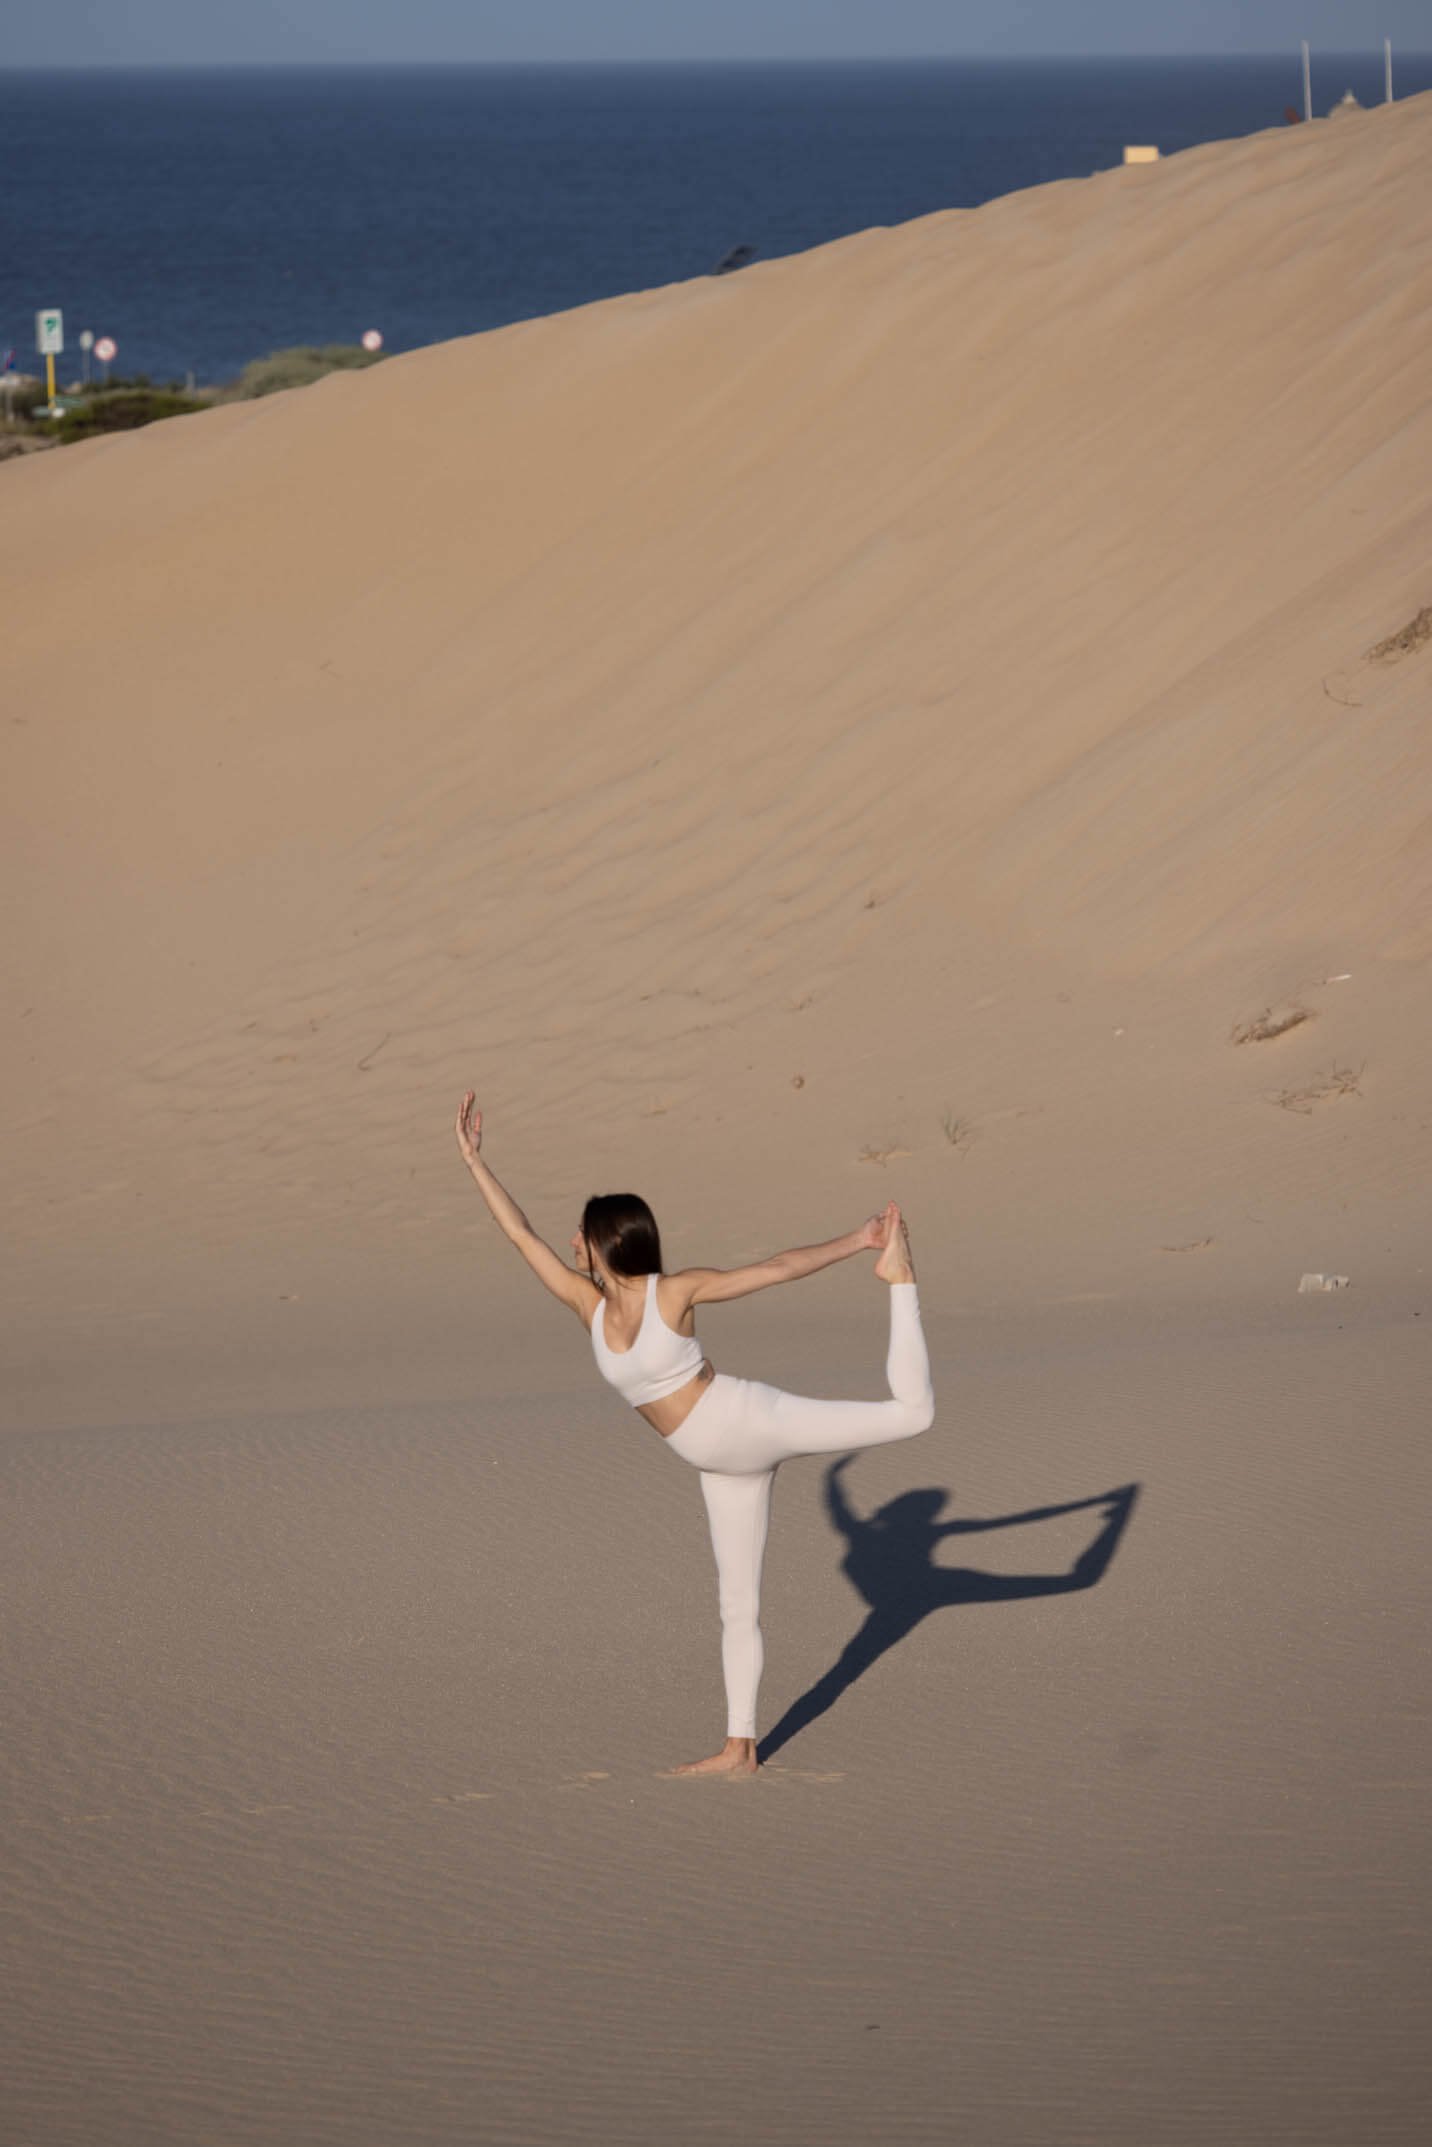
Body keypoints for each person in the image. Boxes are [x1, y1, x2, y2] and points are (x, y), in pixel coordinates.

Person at [455, 1092, 935, 1774]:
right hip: (719, 1464)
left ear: (605, 1240)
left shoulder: (671, 1292)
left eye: (580, 1234)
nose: (570, 1243)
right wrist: (475, 1160)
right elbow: (519, 1234)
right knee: (737, 1603)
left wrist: (860, 1241)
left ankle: (901, 1275)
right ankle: (740, 1749)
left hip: (747, 1420)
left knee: (912, 1414)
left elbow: (771, 1269)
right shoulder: (585, 1303)